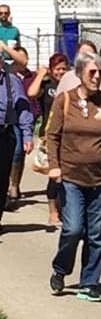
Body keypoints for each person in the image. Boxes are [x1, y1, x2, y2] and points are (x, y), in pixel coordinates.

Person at [45, 52, 101, 302]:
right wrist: (55, 166)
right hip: (71, 177)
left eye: (100, 72)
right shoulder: (64, 100)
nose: (97, 76)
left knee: (96, 233)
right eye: (92, 72)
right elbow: (53, 135)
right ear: (79, 74)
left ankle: (89, 283)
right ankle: (61, 269)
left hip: (100, 179)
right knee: (73, 228)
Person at [22, 53, 69, 227]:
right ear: (51, 69)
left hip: (69, 134)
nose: (61, 72)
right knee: (53, 173)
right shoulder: (47, 85)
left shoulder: (71, 85)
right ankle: (53, 211)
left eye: (64, 68)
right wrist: (41, 74)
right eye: (57, 69)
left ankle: (63, 207)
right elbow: (31, 93)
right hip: (49, 135)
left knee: (66, 174)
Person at [0, 53, 35, 224]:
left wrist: (27, 135)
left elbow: (23, 108)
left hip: (5, 133)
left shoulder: (11, 80)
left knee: (1, 181)